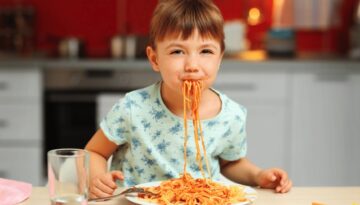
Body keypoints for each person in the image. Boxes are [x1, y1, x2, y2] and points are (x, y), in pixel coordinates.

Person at [85, 0, 292, 199]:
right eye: (177, 51)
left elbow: (230, 163)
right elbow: (94, 152)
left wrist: (258, 176)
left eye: (206, 51)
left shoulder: (231, 115)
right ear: (155, 59)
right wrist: (97, 179)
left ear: (219, 58)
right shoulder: (132, 108)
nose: (192, 64)